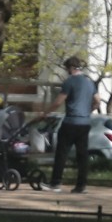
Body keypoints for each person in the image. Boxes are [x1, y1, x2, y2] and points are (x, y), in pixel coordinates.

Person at [40, 56, 100, 194]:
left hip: (71, 122)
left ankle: (55, 183)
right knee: (82, 155)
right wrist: (88, 111)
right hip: (85, 123)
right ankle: (81, 186)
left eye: (67, 69)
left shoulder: (69, 82)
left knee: (62, 153)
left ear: (70, 68)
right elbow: (97, 101)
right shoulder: (89, 82)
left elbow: (58, 102)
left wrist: (45, 113)